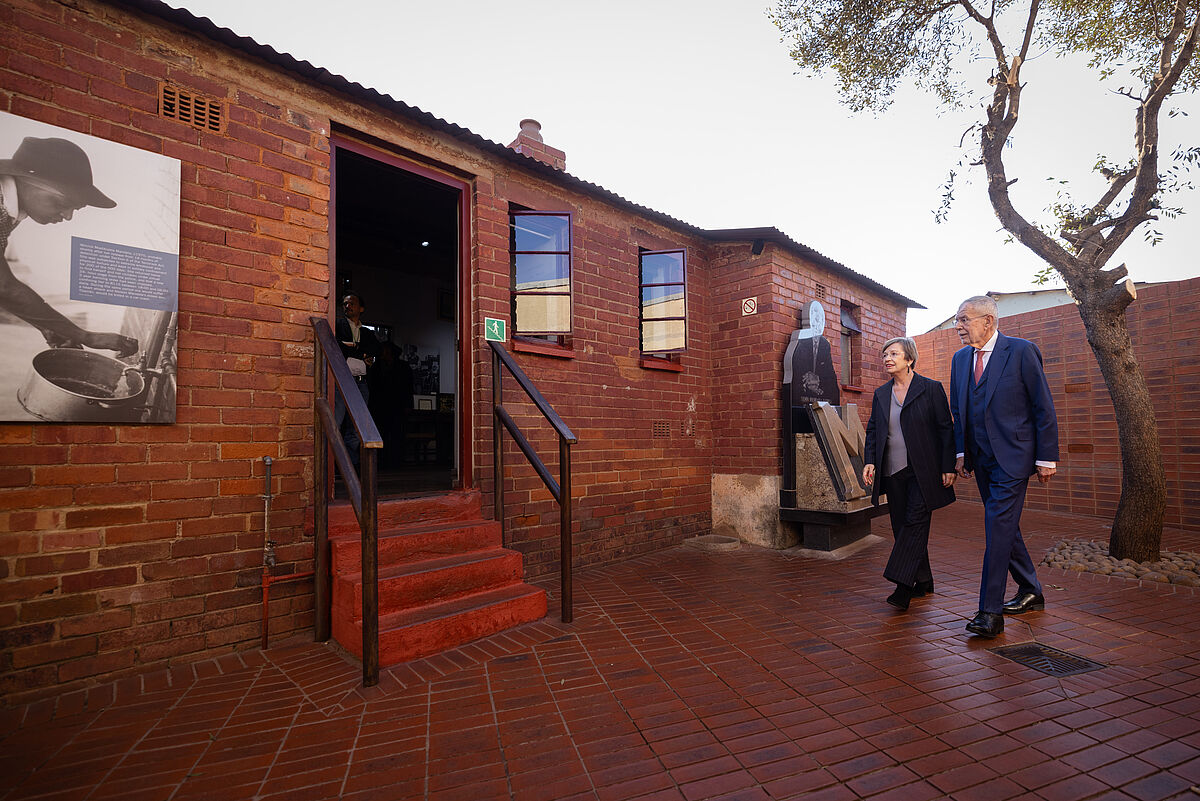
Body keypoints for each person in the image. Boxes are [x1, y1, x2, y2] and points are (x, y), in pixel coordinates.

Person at [950, 295, 1059, 638]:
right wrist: (960, 452)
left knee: (996, 527)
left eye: (964, 319)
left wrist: (1046, 458)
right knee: (1005, 524)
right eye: (958, 320)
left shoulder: (1022, 351)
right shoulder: (959, 359)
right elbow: (959, 410)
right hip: (980, 459)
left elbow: (1043, 406)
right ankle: (1031, 590)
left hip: (1014, 457)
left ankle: (989, 612)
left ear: (988, 321)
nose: (959, 326)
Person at [0, 136, 137, 357]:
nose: (67, 216)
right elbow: (4, 287)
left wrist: (50, 326)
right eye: (63, 204)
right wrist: (86, 337)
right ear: (27, 180)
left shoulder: (9, 210)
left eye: (75, 209)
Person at [862, 337, 956, 611]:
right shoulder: (881, 394)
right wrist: (870, 460)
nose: (887, 359)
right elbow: (873, 430)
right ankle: (924, 580)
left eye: (893, 354)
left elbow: (945, 429)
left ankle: (904, 585)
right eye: (884, 355)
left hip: (923, 471)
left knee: (914, 522)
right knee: (902, 526)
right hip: (892, 471)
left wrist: (948, 465)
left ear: (909, 359)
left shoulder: (930, 389)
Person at [334, 291, 379, 467]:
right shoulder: (338, 324)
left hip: (361, 382)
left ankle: (351, 468)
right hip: (342, 381)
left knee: (356, 427)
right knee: (336, 423)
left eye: (351, 303)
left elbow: (375, 349)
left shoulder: (367, 332)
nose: (347, 306)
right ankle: (333, 468)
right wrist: (360, 351)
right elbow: (337, 345)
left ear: (361, 308)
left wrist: (353, 347)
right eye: (345, 303)